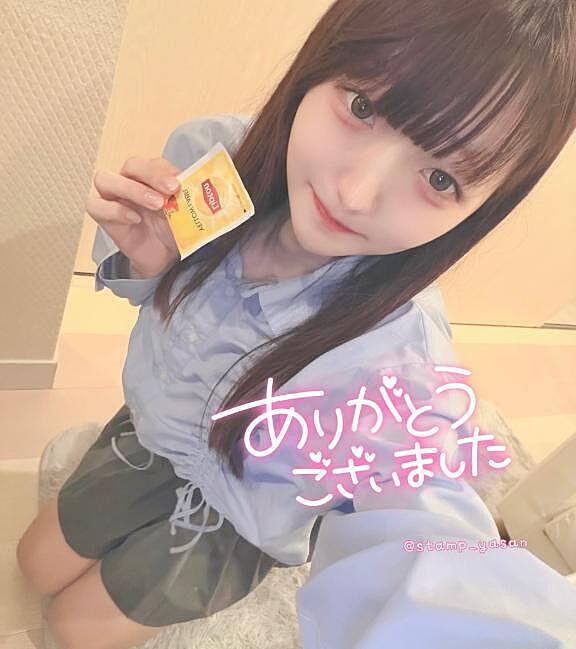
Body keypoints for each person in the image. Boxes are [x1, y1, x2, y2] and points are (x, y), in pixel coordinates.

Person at [18, 1, 576, 647]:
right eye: (362, 106)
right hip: (154, 429)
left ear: (482, 209)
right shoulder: (212, 159)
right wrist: (151, 265)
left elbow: (425, 533)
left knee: (74, 629)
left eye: (440, 177)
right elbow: (146, 295)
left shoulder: (400, 363)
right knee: (34, 564)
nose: (355, 193)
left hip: (240, 514)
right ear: (321, 61)